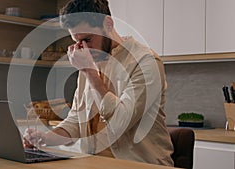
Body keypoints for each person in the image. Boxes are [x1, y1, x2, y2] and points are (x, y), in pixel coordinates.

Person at [24, 0, 174, 166]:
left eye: (88, 39)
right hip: (94, 163)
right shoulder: (90, 62)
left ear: (108, 24)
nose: (84, 48)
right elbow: (76, 120)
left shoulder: (145, 62)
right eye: (77, 41)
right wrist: (45, 138)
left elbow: (119, 124)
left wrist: (89, 72)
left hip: (140, 165)